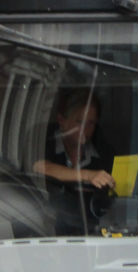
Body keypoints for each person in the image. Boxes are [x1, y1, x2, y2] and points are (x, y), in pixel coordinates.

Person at [33, 89, 115, 233]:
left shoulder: (103, 150)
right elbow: (40, 166)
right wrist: (87, 175)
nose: (86, 129)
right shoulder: (43, 138)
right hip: (47, 229)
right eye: (80, 121)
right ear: (61, 120)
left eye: (91, 123)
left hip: (93, 231)